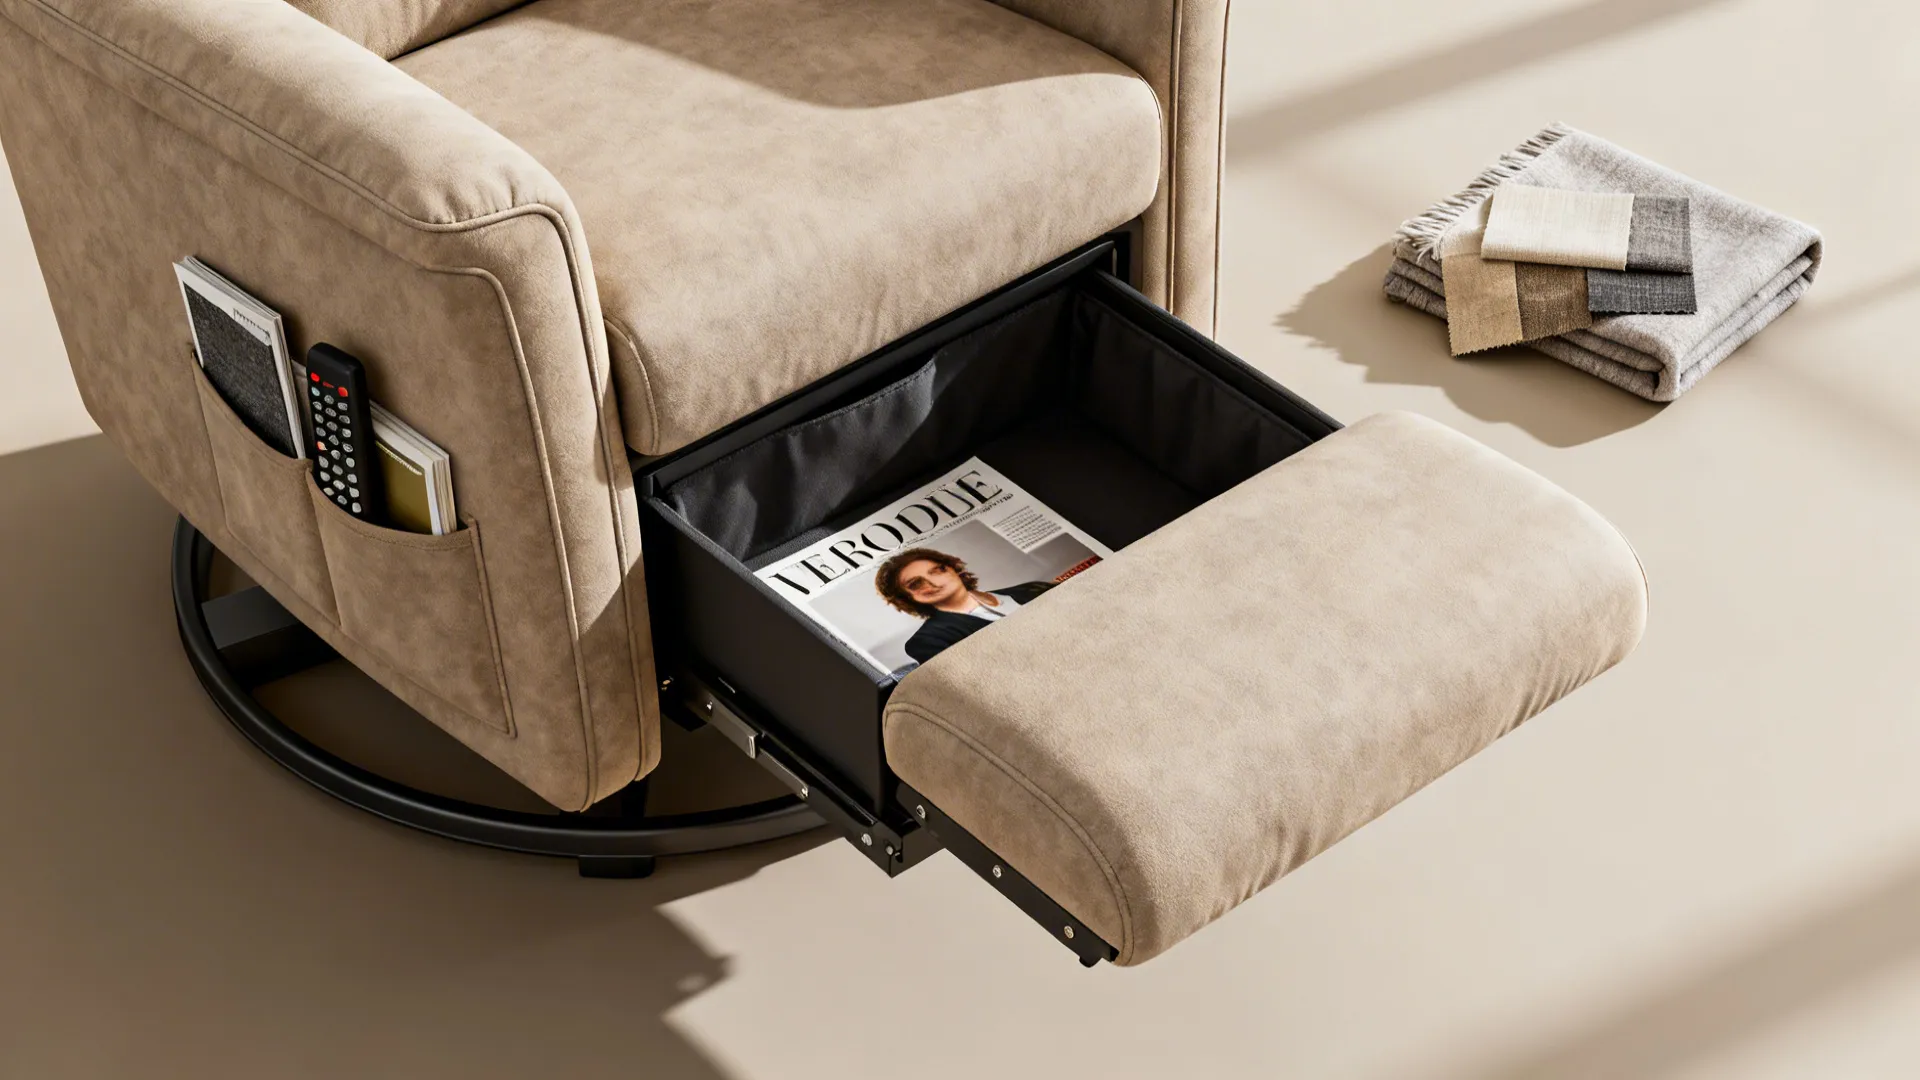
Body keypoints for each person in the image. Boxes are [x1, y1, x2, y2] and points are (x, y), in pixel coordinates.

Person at [874, 547, 1055, 665]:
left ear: (953, 568)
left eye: (938, 570)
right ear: (905, 597)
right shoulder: (928, 641)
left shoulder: (1033, 588)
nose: (933, 581)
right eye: (916, 583)